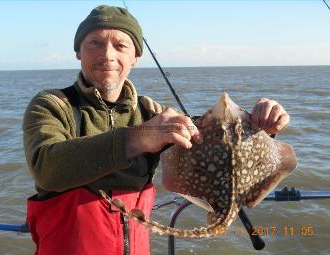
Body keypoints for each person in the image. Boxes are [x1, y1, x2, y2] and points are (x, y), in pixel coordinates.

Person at [23, 4, 290, 255]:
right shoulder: (52, 105)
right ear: (78, 51)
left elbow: (214, 136)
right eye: (95, 42)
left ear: (135, 57)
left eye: (120, 45)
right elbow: (46, 168)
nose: (108, 54)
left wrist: (261, 125)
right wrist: (138, 138)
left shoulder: (152, 111)